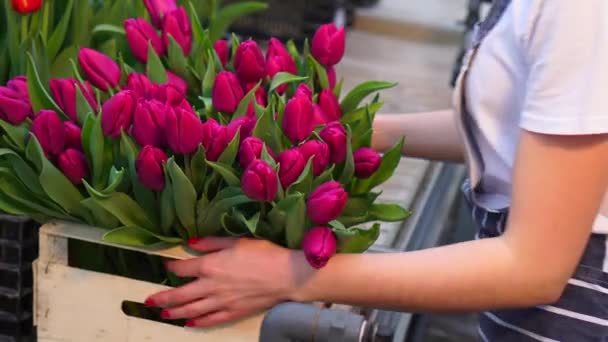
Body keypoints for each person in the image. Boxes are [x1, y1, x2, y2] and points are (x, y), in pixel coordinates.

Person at [145, 0, 608, 340]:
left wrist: (292, 274)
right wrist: (351, 131)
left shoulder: (578, 12)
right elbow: (513, 131)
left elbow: (534, 266)